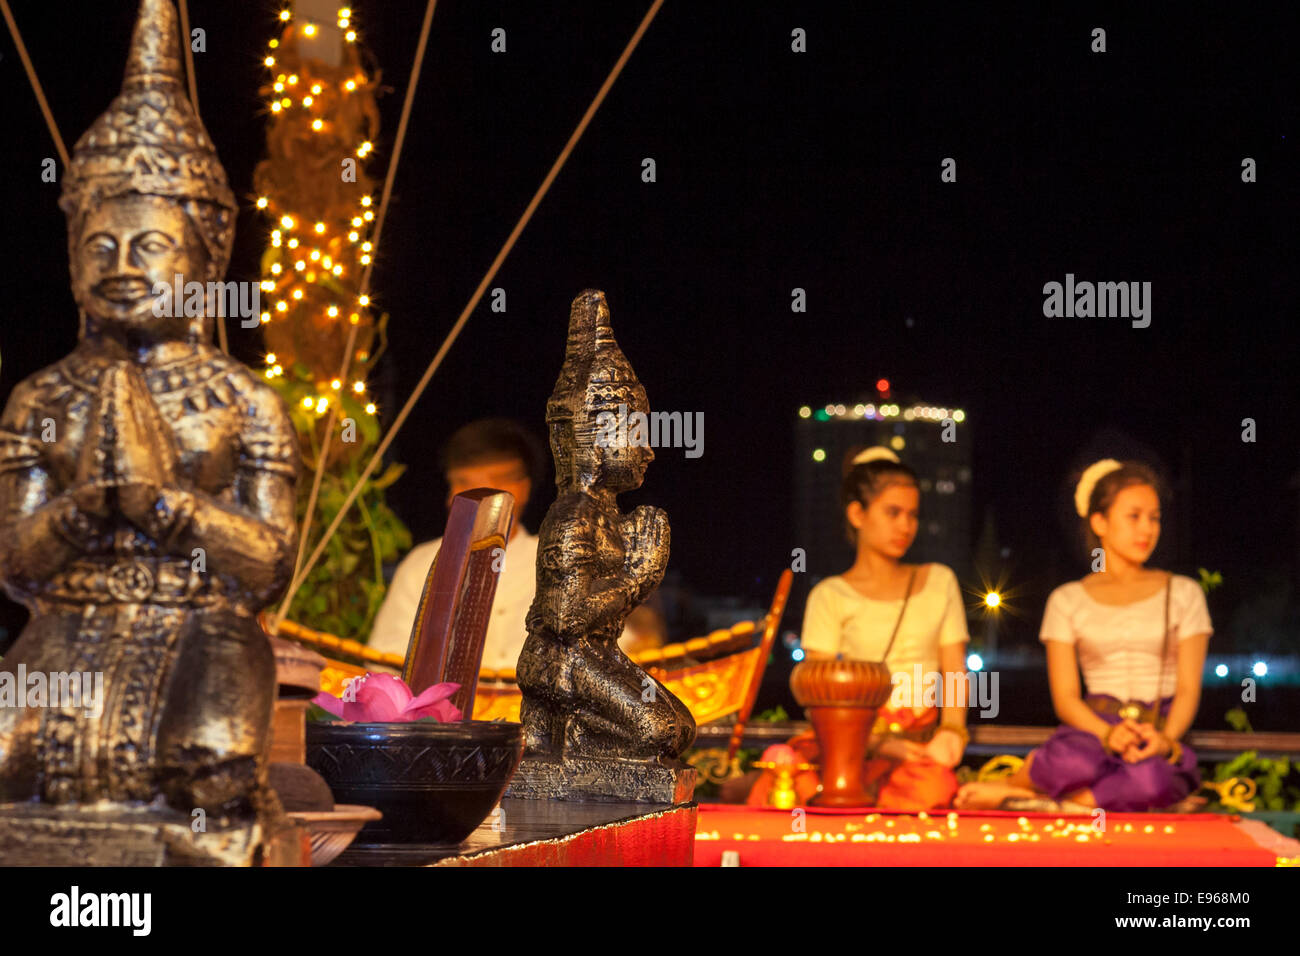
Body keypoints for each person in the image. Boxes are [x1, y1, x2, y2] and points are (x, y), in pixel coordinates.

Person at [955, 459, 1212, 812]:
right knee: (1074, 763)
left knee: (1150, 778)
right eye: (1134, 516)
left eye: (1154, 518)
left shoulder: (1183, 593)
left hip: (1158, 724)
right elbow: (1065, 697)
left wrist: (1165, 739)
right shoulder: (1067, 600)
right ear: (1099, 522)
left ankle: (1048, 801)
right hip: (1096, 725)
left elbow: (1187, 689)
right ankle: (1021, 786)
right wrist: (1107, 734)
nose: (1147, 529)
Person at [747, 446, 970, 810]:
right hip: (848, 746)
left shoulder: (938, 580)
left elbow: (955, 667)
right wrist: (878, 744)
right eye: (893, 513)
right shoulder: (830, 594)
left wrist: (952, 731)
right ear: (857, 513)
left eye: (913, 515)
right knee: (789, 790)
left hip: (919, 751)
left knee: (927, 794)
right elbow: (820, 693)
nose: (906, 526)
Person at [369, 419, 542, 669]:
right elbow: (384, 659)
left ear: (522, 489)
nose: (477, 497)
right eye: (463, 484)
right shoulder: (423, 563)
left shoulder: (557, 561)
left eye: (495, 483)